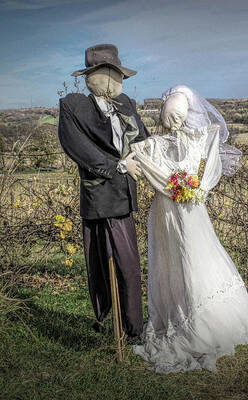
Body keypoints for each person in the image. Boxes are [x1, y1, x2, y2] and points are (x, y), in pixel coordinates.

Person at [130, 85, 248, 373]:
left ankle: (198, 317)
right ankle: (183, 311)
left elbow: (207, 170)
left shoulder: (194, 140)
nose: (173, 122)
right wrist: (194, 188)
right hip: (177, 211)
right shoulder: (159, 145)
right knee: (181, 258)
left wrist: (194, 188)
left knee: (193, 257)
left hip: (184, 211)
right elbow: (143, 160)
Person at [57, 44, 149, 342]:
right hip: (97, 196)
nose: (117, 80)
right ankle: (108, 318)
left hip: (123, 198)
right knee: (98, 265)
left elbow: (144, 141)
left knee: (129, 266)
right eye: (112, 73)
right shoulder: (73, 106)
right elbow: (78, 148)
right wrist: (118, 165)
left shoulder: (127, 104)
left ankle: (132, 329)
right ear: (96, 75)